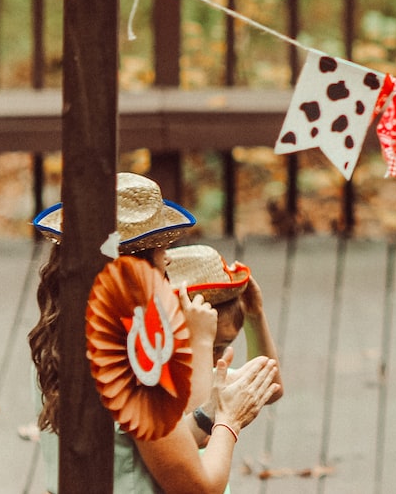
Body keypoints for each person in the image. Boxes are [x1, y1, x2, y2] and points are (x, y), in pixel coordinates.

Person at [29, 172, 281, 494]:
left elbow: (148, 448)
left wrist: (208, 416)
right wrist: (229, 420)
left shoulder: (55, 338)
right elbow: (199, 487)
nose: (168, 257)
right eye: (158, 248)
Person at [165, 243, 284, 444]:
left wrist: (255, 316)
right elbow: (198, 431)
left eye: (221, 347)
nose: (213, 358)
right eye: (206, 347)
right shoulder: (157, 380)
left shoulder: (211, 374)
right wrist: (200, 340)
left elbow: (271, 386)